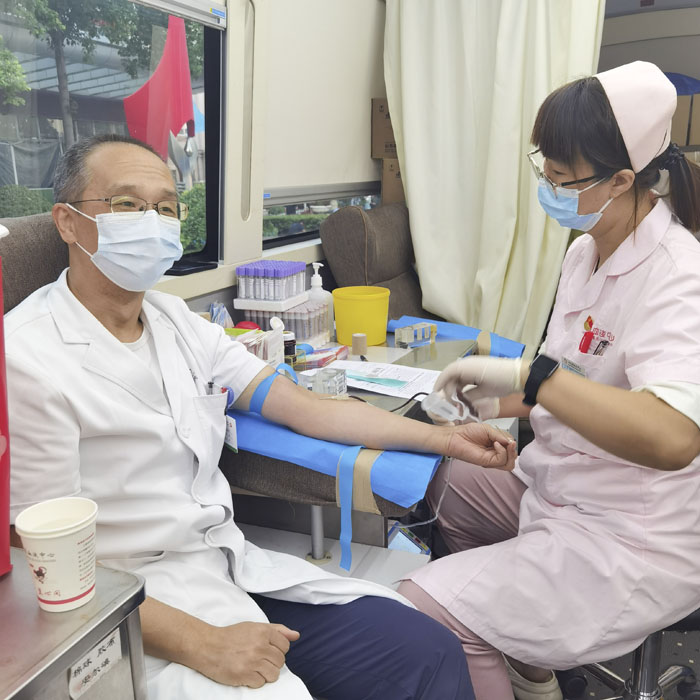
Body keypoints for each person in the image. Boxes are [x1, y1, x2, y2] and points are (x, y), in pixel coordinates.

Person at [6, 133, 518, 700]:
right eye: (127, 204)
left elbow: (308, 409)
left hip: (223, 562)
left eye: (167, 208)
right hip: (132, 608)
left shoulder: (175, 320)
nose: (152, 222)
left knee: (426, 649)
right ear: (68, 222)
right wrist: (201, 642)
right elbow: (43, 563)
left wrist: (443, 439)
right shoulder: (25, 357)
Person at [398, 60, 700, 700]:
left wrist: (533, 377)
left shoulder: (679, 275)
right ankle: (531, 665)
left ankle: (490, 641)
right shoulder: (585, 251)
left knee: (424, 610)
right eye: (546, 171)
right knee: (442, 480)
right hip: (561, 487)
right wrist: (488, 402)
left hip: (632, 533)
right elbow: (576, 379)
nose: (550, 188)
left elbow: (675, 437)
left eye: (563, 178)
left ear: (622, 180)